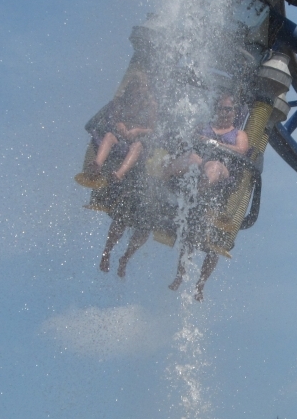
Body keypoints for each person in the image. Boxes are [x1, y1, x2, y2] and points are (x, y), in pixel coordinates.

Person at [166, 93, 250, 300]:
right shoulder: (204, 127)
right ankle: (180, 274)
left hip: (222, 175)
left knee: (213, 243)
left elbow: (241, 150)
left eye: (228, 110)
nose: (224, 113)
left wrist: (216, 144)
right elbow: (189, 140)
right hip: (198, 168)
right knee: (190, 234)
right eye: (221, 109)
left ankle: (200, 284)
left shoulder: (239, 134)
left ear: (235, 113)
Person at [80, 67, 158, 187]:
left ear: (146, 88)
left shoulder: (150, 106)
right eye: (135, 86)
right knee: (109, 136)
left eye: (141, 86)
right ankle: (97, 164)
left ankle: (119, 174)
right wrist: (119, 125)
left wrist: (137, 131)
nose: (138, 90)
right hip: (121, 137)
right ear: (130, 87)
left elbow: (152, 129)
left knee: (137, 146)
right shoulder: (120, 102)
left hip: (138, 140)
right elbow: (113, 119)